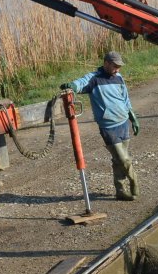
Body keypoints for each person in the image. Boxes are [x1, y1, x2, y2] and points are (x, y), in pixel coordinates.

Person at [60, 51, 140, 200]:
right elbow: (81, 83)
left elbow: (125, 98)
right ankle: (134, 180)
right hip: (108, 126)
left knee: (119, 160)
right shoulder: (94, 79)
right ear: (106, 63)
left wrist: (133, 117)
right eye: (115, 66)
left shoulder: (119, 78)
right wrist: (72, 86)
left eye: (119, 67)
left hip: (123, 122)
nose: (117, 70)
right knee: (124, 159)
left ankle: (121, 191)